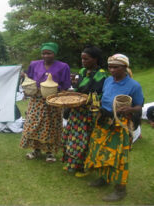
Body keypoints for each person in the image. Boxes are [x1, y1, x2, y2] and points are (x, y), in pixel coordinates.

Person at [84, 54, 144, 202]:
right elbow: (105, 97)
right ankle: (104, 178)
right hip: (103, 120)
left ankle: (120, 189)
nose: (111, 70)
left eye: (116, 67)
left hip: (119, 124)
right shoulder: (108, 80)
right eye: (110, 66)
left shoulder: (133, 85)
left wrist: (129, 110)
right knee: (99, 150)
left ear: (125, 67)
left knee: (117, 156)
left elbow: (139, 106)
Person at [20, 42, 71, 162]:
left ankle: (50, 153)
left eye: (49, 53)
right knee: (34, 124)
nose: (46, 56)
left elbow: (66, 85)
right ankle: (35, 150)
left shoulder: (63, 67)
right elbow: (30, 80)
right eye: (43, 53)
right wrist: (28, 90)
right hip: (36, 100)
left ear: (54, 53)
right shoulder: (34, 64)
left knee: (51, 126)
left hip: (53, 100)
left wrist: (60, 98)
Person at [61, 46, 108, 176]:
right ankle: (72, 163)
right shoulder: (82, 71)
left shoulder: (100, 74)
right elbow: (79, 89)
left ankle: (84, 167)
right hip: (77, 109)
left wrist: (81, 96)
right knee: (72, 136)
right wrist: (71, 92)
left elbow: (97, 94)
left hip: (89, 111)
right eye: (82, 58)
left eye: (86, 59)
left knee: (84, 139)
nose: (83, 61)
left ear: (95, 59)